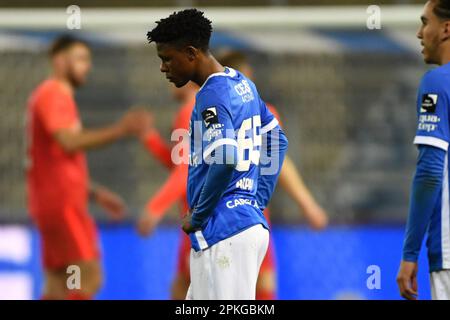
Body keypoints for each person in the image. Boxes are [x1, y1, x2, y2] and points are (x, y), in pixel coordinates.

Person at [137, 51, 328, 300]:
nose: (164, 69)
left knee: (188, 289)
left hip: (210, 217)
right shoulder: (262, 108)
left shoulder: (198, 107)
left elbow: (184, 167)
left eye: (168, 60)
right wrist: (302, 203)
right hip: (252, 217)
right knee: (260, 284)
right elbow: (277, 155)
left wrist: (156, 206)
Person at [146, 9, 288, 299]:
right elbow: (277, 139)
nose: (163, 67)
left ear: (190, 53)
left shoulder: (211, 96)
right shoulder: (242, 84)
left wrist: (198, 214)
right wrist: (256, 199)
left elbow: (224, 157)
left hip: (225, 232)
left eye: (167, 58)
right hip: (241, 226)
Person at [26, 35, 151, 300]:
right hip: (62, 206)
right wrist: (120, 129)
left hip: (55, 201)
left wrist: (93, 193)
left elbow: (55, 161)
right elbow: (69, 142)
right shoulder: (54, 94)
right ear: (60, 61)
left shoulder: (54, 96)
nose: (88, 66)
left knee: (61, 283)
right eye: (81, 59)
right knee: (87, 275)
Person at [397, 0, 450, 300]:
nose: (419, 33)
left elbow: (430, 172)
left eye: (424, 22)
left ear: (446, 28)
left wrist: (410, 253)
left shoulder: (437, 84)